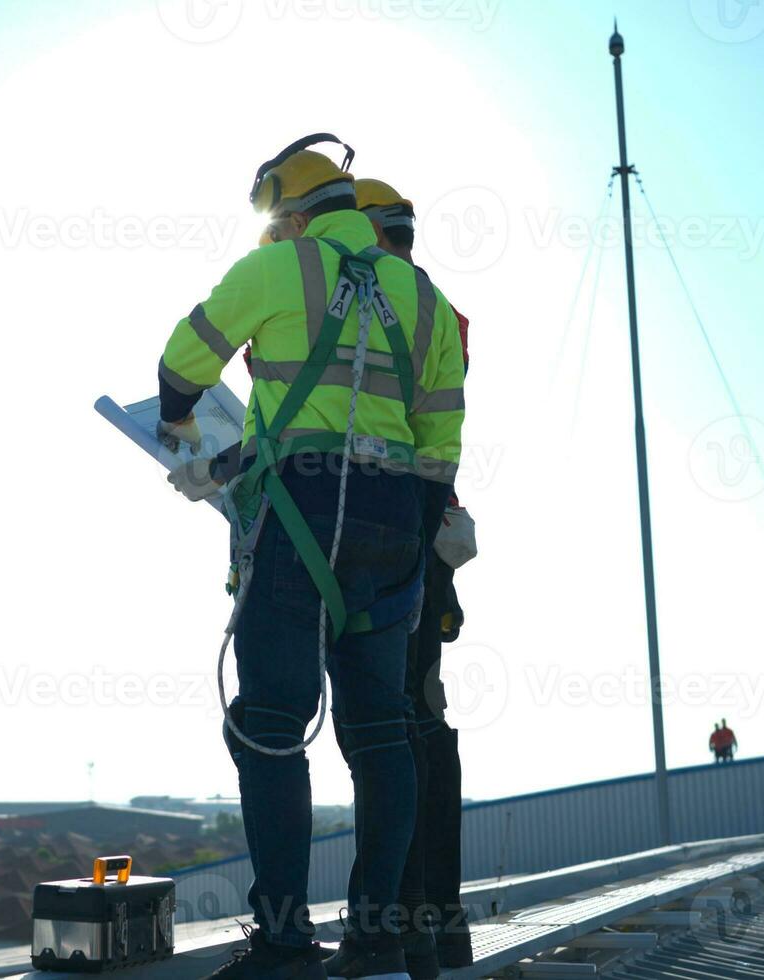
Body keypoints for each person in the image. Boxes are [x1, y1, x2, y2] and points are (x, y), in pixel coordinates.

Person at [155, 135, 465, 980]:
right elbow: (441, 444)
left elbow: (179, 372)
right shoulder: (428, 299)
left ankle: (287, 942)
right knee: (380, 735)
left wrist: (186, 432)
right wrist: (414, 540)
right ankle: (377, 936)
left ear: (292, 216)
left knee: (269, 726)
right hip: (396, 522)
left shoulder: (277, 270)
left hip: (299, 516)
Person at [322, 178, 472, 980]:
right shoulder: (432, 308)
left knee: (392, 730)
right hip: (421, 531)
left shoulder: (381, 303)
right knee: (418, 723)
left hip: (390, 537)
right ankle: (431, 924)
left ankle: (400, 927)